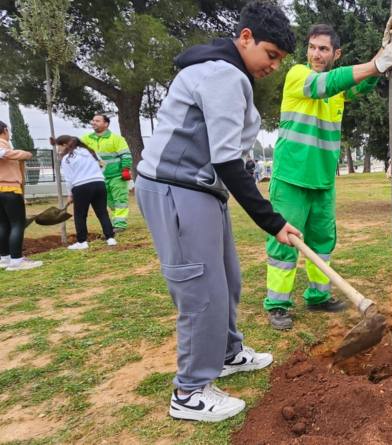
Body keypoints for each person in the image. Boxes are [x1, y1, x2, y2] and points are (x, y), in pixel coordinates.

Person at [135, 1, 300, 422]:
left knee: (226, 277)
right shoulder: (222, 74)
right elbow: (228, 160)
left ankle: (228, 353)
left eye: (279, 60)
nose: (274, 67)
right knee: (200, 290)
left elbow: (230, 158)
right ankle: (189, 392)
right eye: (271, 55)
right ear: (245, 38)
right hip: (176, 188)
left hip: (204, 190)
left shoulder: (228, 72)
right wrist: (273, 222)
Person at [264, 19, 392, 329]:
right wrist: (375, 62)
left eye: (323, 49)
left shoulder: (337, 88)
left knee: (322, 242)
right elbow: (328, 83)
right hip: (291, 179)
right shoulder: (298, 76)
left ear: (336, 53)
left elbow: (361, 82)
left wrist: (384, 52)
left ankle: (318, 296)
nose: (316, 54)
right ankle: (277, 304)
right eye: (312, 47)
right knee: (283, 244)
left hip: (323, 181)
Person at [54, 135, 117, 249]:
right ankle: (110, 238)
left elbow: (69, 179)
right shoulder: (90, 152)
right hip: (99, 184)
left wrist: (70, 194)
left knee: (80, 215)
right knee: (102, 212)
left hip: (81, 186)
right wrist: (97, 175)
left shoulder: (67, 158)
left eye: (58, 147)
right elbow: (103, 165)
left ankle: (82, 242)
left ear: (64, 145)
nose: (58, 150)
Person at [0, 120, 41, 271]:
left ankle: (4, 258)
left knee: (3, 224)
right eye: (8, 130)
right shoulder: (2, 145)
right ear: (4, 130)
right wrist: (25, 154)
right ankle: (17, 260)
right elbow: (6, 154)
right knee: (17, 224)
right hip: (10, 190)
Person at [80, 114, 132, 232]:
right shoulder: (86, 139)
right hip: (99, 177)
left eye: (97, 121)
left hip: (117, 176)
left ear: (106, 124)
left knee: (120, 200)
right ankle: (117, 219)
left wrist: (125, 169)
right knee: (109, 201)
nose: (94, 122)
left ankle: (120, 224)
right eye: (93, 120)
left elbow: (126, 155)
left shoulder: (116, 139)